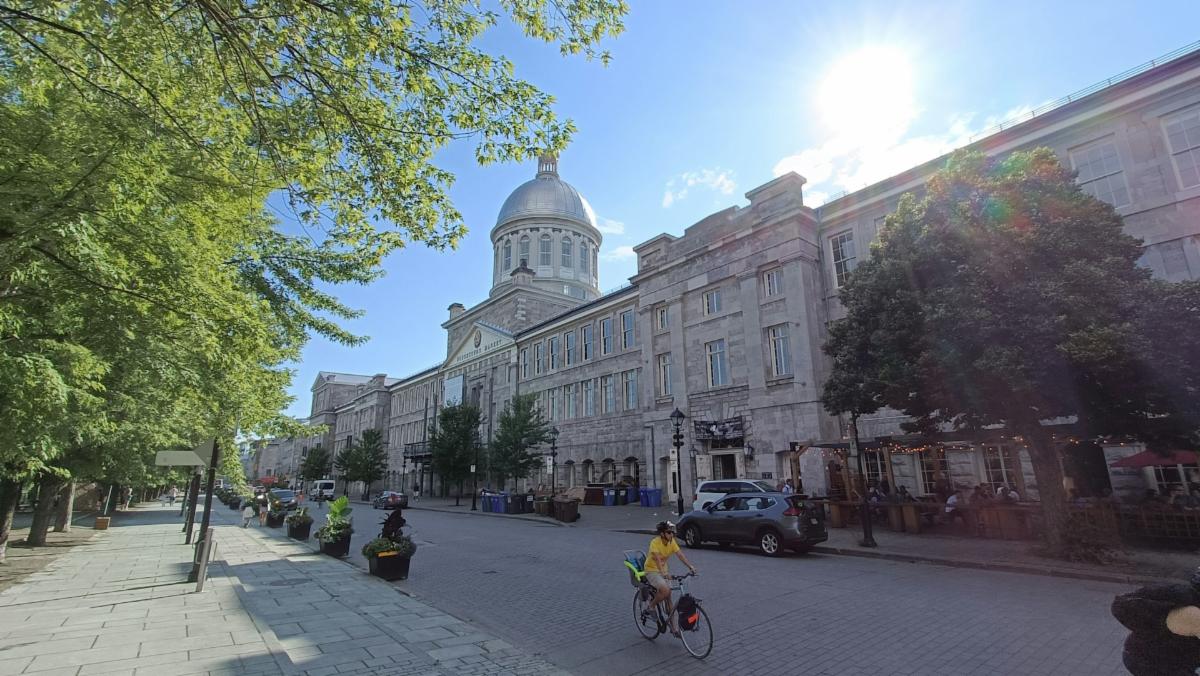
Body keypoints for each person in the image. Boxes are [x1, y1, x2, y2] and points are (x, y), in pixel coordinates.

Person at [1111, 567, 1200, 675]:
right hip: (1145, 659)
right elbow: (1120, 605)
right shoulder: (1176, 594)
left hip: (1177, 663)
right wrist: (1166, 619)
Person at [645, 520, 698, 637]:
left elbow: (680, 554)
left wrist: (690, 567)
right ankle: (651, 606)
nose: (672, 535)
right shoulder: (655, 543)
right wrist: (663, 573)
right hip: (652, 571)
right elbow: (658, 559)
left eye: (672, 533)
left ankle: (673, 629)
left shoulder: (671, 542)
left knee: (669, 598)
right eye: (669, 532)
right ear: (662, 533)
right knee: (665, 590)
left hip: (664, 572)